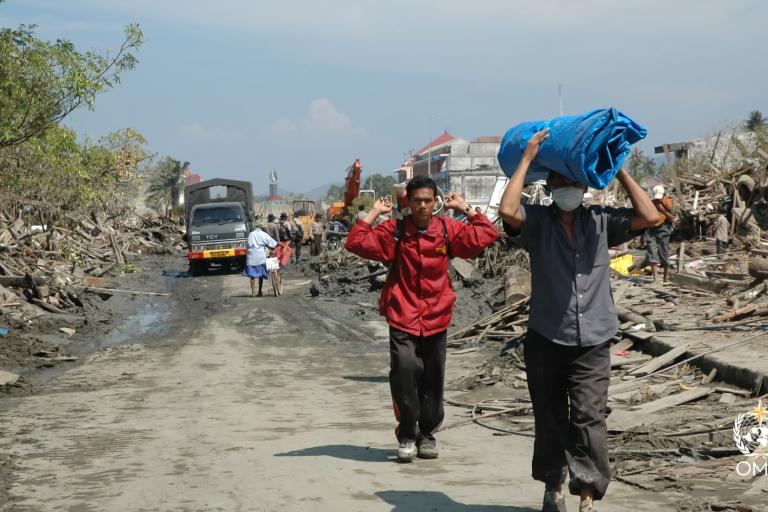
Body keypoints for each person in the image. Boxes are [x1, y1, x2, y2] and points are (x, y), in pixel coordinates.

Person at [498, 129, 658, 512]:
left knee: (589, 418)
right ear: (549, 186)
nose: (567, 188)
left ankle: (587, 495)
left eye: (574, 182)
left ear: (584, 187)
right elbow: (507, 211)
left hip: (593, 342)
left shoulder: (602, 222)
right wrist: (525, 160)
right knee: (550, 418)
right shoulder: (537, 222)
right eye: (560, 182)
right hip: (546, 339)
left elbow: (650, 216)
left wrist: (616, 168)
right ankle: (553, 485)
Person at [345, 175, 499, 462]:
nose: (423, 206)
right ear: (408, 203)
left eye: (428, 201)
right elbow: (355, 242)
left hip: (437, 316)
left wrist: (466, 209)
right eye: (417, 201)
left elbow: (486, 234)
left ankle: (427, 434)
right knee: (404, 371)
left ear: (436, 202)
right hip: (402, 314)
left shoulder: (447, 229)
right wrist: (375, 213)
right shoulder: (396, 231)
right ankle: (406, 433)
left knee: (433, 377)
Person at [645, 185, 676, 283]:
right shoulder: (649, 203)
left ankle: (666, 278)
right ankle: (656, 279)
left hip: (664, 229)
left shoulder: (668, 201)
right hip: (651, 230)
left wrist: (666, 214)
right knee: (652, 253)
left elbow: (672, 215)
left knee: (664, 253)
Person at [244, 219, 277, 297]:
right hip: (260, 257)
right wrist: (276, 243)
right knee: (260, 275)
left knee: (252, 276)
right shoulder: (263, 234)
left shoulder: (251, 234)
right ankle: (259, 291)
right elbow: (273, 243)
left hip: (251, 256)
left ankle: (253, 293)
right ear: (262, 227)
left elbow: (248, 245)